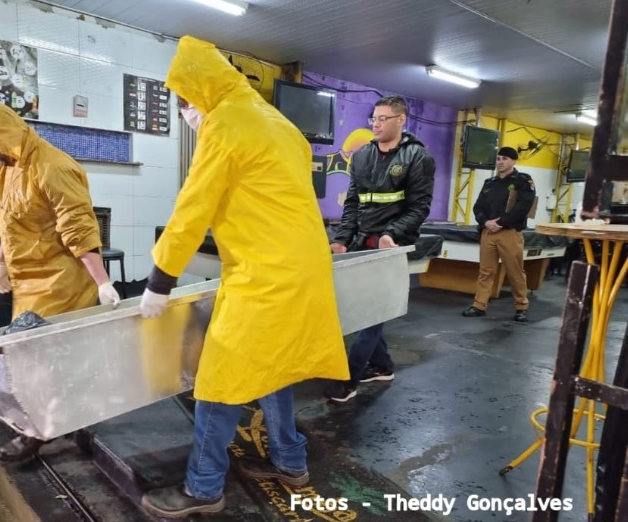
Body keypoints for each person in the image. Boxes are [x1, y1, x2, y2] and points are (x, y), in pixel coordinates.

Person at [137, 36, 349, 519]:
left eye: (185, 102)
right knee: (273, 366)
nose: (185, 112)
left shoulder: (227, 124)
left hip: (265, 277)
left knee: (219, 380)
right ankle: (291, 463)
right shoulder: (283, 125)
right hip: (304, 270)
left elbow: (194, 207)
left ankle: (204, 488)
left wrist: (159, 280)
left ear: (202, 91)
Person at [0, 101, 121, 461]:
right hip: (29, 281)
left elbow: (79, 228)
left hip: (63, 281)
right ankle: (68, 422)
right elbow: (10, 222)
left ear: (5, 134)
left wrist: (102, 282)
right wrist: (1, 264)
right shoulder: (5, 168)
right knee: (49, 359)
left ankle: (36, 434)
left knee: (39, 361)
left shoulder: (54, 167)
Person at [324, 95, 436, 403]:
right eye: (374, 118)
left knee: (371, 313)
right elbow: (352, 204)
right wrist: (342, 238)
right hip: (362, 242)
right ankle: (383, 365)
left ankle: (349, 378)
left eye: (383, 118)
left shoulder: (417, 157)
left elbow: (419, 206)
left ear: (401, 120)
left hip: (390, 245)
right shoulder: (361, 157)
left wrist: (392, 234)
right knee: (370, 308)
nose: (376, 123)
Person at [462, 146, 536, 323]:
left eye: (505, 159)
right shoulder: (490, 183)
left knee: (515, 271)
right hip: (488, 232)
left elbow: (524, 207)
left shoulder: (523, 181)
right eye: (499, 158)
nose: (500, 162)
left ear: (513, 161)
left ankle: (521, 307)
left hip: (509, 232)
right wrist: (486, 222)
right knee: (486, 271)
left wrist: (501, 222)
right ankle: (479, 305)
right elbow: (477, 206)